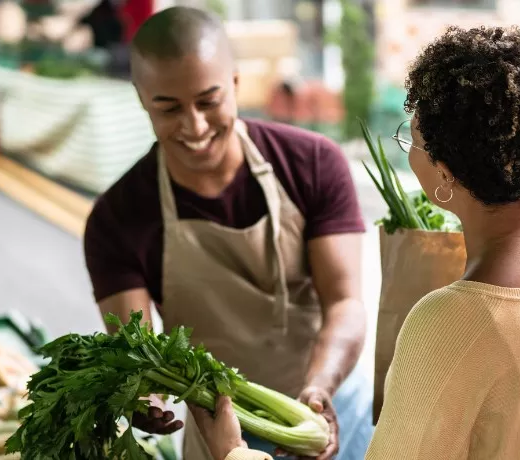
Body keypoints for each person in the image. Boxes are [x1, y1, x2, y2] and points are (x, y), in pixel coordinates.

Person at [193, 25, 520, 460]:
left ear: (445, 175)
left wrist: (232, 452)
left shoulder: (448, 323)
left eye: (413, 138)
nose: (407, 149)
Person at [82, 6, 373, 460]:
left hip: (328, 412)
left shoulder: (314, 163)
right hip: (221, 436)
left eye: (208, 101)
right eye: (169, 107)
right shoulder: (116, 218)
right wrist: (147, 402)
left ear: (235, 84)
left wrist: (319, 388)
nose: (194, 126)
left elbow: (345, 303)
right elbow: (135, 352)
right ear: (141, 98)